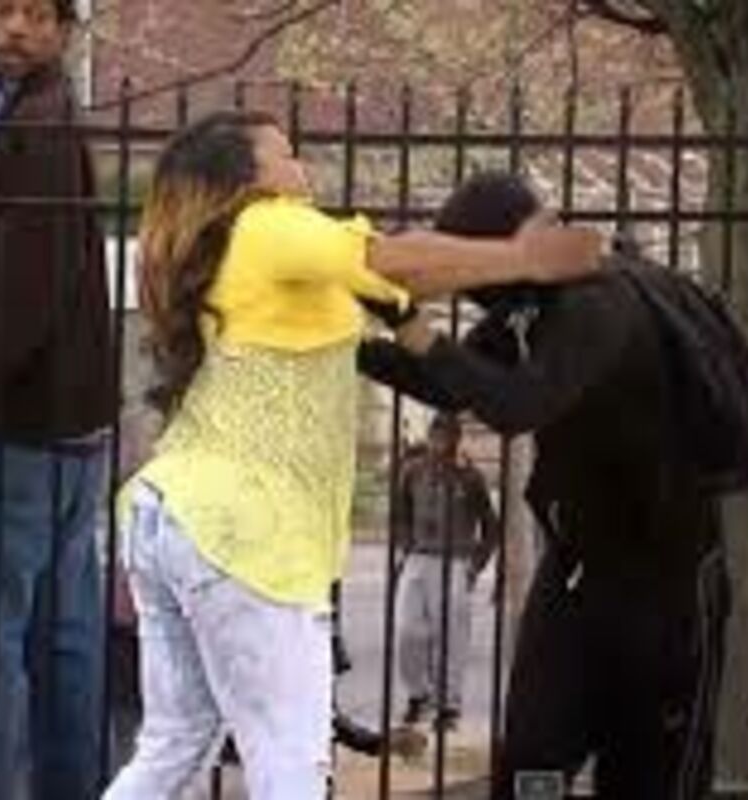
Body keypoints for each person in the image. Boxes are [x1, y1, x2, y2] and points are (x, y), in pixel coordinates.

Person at [102, 114, 600, 799]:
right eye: (285, 154)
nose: (301, 167)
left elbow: (403, 282)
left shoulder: (245, 253)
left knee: (178, 743)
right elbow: (386, 259)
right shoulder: (269, 224)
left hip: (172, 517)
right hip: (244, 534)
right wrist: (524, 257)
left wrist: (468, 274)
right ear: (245, 179)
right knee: (292, 761)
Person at [359, 172, 732, 799]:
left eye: (474, 263)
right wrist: (353, 344)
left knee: (648, 775)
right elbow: (455, 380)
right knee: (535, 761)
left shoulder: (601, 300)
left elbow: (517, 403)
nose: (473, 285)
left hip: (666, 582)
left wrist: (413, 326)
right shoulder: (527, 306)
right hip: (579, 570)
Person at [0, 1, 113, 797]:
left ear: (64, 32)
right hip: (66, 424)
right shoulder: (0, 109)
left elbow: (22, 301)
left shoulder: (40, 126)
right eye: (3, 10)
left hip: (16, 426)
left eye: (37, 15)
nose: (17, 28)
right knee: (62, 634)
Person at [394, 412, 497, 731]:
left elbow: (490, 526)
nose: (439, 441)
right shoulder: (412, 471)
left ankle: (449, 706)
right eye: (435, 434)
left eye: (446, 435)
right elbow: (400, 514)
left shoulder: (470, 477)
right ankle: (419, 693)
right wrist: (406, 545)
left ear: (456, 439)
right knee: (408, 631)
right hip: (418, 559)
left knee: (451, 638)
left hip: (456, 561)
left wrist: (475, 566)